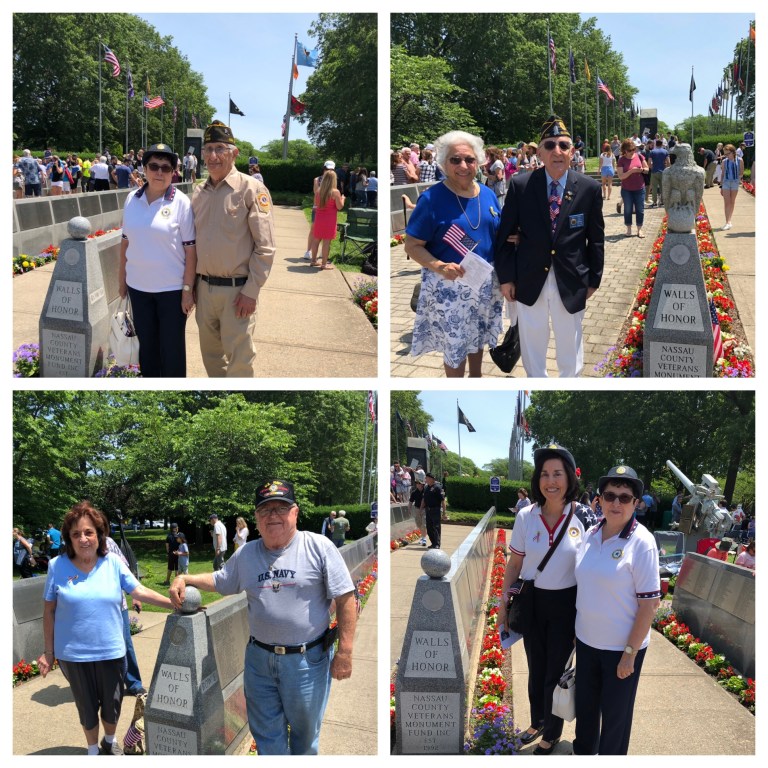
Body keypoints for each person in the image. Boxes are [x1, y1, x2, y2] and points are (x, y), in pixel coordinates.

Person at [169, 479, 357, 755]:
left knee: (305, 738)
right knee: (267, 737)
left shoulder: (319, 547)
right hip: (259, 661)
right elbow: (222, 579)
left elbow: (345, 597)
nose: (273, 516)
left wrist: (346, 652)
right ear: (256, 518)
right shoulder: (247, 553)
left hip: (306, 661)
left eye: (281, 508)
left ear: (295, 512)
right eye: (265, 510)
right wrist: (186, 577)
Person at [37, 501, 175, 755]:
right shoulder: (57, 566)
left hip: (111, 650)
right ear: (68, 537)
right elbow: (49, 610)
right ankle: (92, 750)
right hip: (73, 654)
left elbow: (139, 590)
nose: (83, 539)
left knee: (112, 705)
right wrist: (49, 652)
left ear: (99, 535)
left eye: (89, 532)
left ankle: (109, 742)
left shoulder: (112, 562)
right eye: (76, 533)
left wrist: (174, 604)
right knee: (86, 706)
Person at [495, 115, 604, 378]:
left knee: (571, 347)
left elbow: (596, 238)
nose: (558, 151)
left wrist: (594, 280)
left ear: (572, 152)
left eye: (564, 145)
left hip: (572, 279)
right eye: (550, 145)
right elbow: (505, 236)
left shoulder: (589, 188)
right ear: (540, 153)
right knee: (533, 345)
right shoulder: (521, 186)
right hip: (529, 278)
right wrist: (506, 278)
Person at [499, 443, 585, 755]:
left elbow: (589, 573)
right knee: (535, 667)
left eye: (557, 474)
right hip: (533, 601)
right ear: (538, 479)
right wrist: (503, 604)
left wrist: (584, 619)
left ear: (569, 478)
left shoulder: (584, 517)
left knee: (554, 673)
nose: (551, 481)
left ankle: (551, 731)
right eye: (545, 474)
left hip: (567, 605)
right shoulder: (526, 516)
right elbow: (515, 564)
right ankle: (537, 720)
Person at [572, 465, 661, 755]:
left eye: (625, 497)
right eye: (610, 495)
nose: (616, 503)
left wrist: (629, 654)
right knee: (585, 712)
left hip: (621, 650)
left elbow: (649, 604)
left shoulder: (642, 542)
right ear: (599, 500)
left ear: (637, 503)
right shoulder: (590, 534)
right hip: (587, 643)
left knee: (615, 720)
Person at [406, 130, 504, 378]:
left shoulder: (488, 193)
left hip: (485, 282)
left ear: (479, 162)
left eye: (469, 160)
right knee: (456, 344)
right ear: (443, 163)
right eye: (456, 160)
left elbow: (496, 231)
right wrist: (439, 266)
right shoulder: (431, 199)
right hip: (451, 284)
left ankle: (477, 377)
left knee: (478, 334)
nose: (463, 165)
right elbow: (412, 245)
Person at [192, 121, 277, 377]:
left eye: (220, 148)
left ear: (234, 153)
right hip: (204, 291)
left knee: (240, 362)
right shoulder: (198, 193)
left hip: (237, 293)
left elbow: (266, 247)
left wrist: (251, 292)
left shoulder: (252, 189)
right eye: (208, 149)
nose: (213, 156)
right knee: (211, 359)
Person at [118, 142, 197, 377]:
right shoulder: (131, 199)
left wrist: (187, 290)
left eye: (166, 167)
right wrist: (122, 281)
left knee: (172, 351)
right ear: (144, 168)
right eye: (154, 166)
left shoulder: (181, 202)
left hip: (171, 292)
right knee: (148, 350)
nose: (159, 172)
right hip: (138, 289)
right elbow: (125, 242)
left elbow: (191, 251)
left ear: (174, 171)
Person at [310, 162, 345, 270]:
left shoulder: (318, 191)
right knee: (326, 242)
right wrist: (343, 199)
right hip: (330, 220)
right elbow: (339, 207)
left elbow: (317, 204)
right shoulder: (335, 192)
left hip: (319, 218)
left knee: (316, 240)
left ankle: (313, 261)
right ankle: (324, 264)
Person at [617, 138, 648, 238]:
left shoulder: (639, 156)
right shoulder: (621, 160)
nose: (632, 152)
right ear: (624, 150)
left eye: (633, 149)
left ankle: (640, 229)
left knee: (640, 209)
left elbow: (647, 169)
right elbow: (621, 176)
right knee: (628, 209)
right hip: (627, 189)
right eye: (629, 150)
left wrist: (642, 170)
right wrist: (631, 171)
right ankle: (629, 229)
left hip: (640, 188)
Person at [719, 144, 744, 231]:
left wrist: (737, 178)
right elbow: (722, 174)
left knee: (732, 202)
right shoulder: (724, 161)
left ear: (733, 152)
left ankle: (729, 221)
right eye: (725, 154)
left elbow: (741, 172)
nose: (726, 156)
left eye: (727, 154)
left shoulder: (740, 160)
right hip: (726, 182)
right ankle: (727, 222)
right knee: (727, 202)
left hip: (735, 183)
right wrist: (721, 186)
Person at [420, 472, 446, 549]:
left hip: (436, 510)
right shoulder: (426, 488)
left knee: (436, 527)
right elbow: (424, 499)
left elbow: (443, 500)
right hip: (428, 510)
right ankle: (433, 543)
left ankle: (437, 544)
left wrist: (444, 512)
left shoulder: (438, 487)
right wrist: (421, 508)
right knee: (429, 528)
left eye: (426, 478)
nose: (425, 479)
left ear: (431, 479)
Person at [648, 139, 669, 207]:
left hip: (654, 171)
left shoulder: (652, 152)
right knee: (663, 187)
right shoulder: (665, 151)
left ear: (656, 144)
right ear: (662, 144)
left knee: (654, 188)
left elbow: (649, 162)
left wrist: (652, 168)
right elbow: (668, 162)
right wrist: (667, 169)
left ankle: (654, 203)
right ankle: (662, 202)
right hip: (663, 171)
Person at [409, 481, 427, 546]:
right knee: (419, 524)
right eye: (418, 483)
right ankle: (422, 537)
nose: (420, 485)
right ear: (416, 485)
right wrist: (409, 509)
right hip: (417, 509)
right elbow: (410, 501)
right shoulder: (414, 493)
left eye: (421, 483)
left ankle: (424, 539)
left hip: (424, 509)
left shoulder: (426, 491)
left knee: (424, 525)